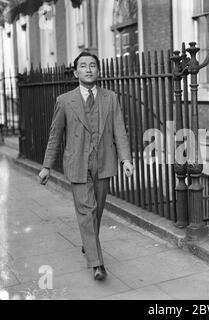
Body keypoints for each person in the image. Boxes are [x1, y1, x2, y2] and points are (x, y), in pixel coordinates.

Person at [38, 52, 134, 281]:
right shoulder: (64, 101)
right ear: (76, 72)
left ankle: (89, 243)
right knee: (86, 211)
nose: (88, 69)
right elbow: (54, 136)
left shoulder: (110, 98)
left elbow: (119, 130)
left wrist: (126, 160)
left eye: (92, 65)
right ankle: (97, 263)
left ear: (98, 71)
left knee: (97, 211)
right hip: (77, 163)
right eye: (83, 66)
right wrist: (46, 167)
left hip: (104, 163)